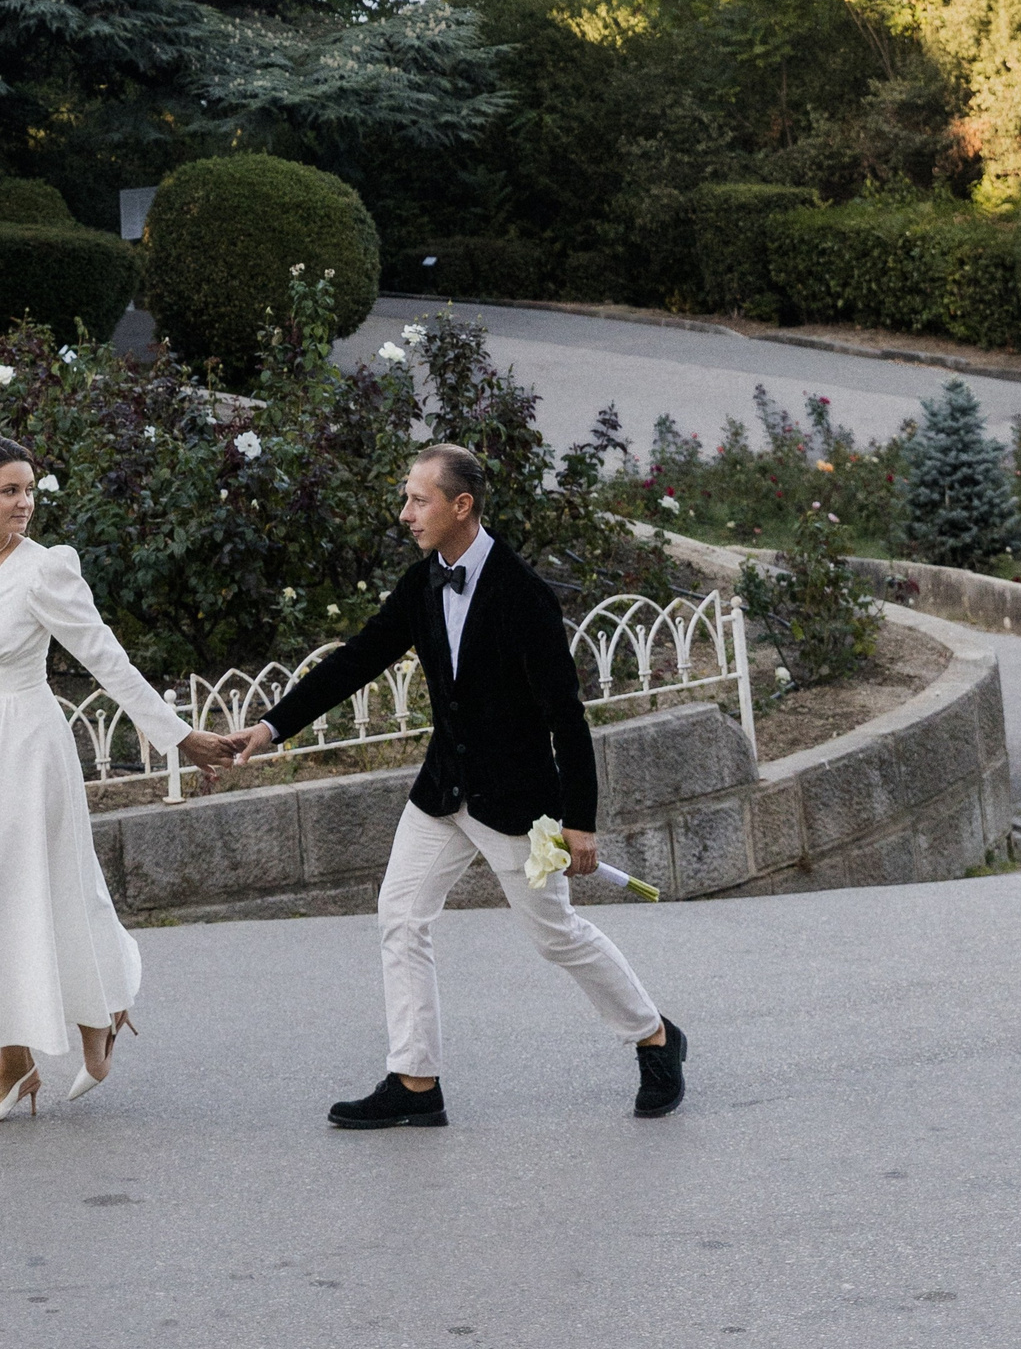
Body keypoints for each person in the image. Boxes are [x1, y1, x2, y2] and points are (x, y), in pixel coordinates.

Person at [221, 441, 687, 1127]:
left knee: (555, 935)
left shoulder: (524, 595)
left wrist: (579, 821)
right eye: (407, 497)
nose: (406, 512)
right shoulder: (422, 583)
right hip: (444, 792)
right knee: (401, 918)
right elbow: (357, 660)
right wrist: (271, 728)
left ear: (460, 505)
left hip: (518, 807)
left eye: (419, 499)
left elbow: (567, 715)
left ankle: (654, 1037)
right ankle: (414, 1081)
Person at [0, 434, 237, 1121]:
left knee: (23, 893)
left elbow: (106, 659)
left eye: (30, 491)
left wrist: (179, 737)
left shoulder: (43, 571)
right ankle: (86, 1022)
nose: (25, 504)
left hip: (28, 747)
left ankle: (14, 1063)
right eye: (9, 491)